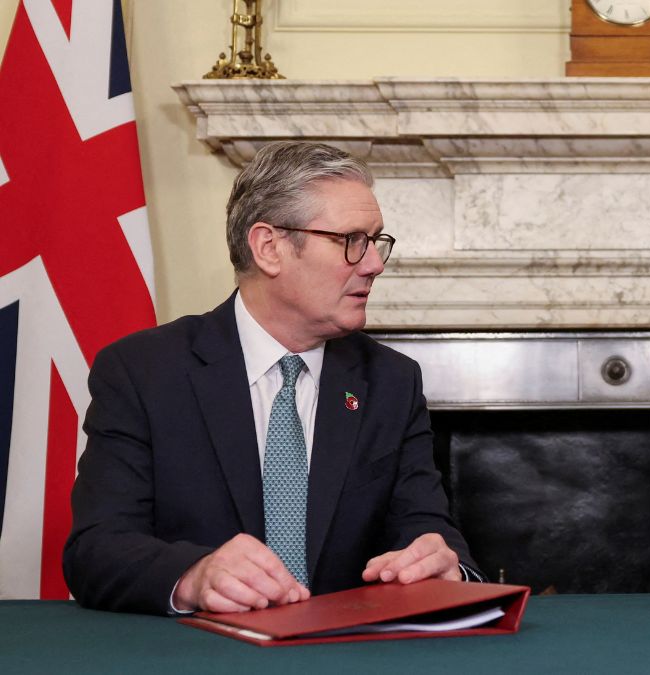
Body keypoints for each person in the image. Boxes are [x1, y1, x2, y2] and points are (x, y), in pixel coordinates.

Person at [64, 141, 481, 615]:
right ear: (269, 248)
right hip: (200, 647)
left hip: (345, 648)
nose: (374, 264)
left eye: (375, 240)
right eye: (351, 241)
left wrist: (446, 568)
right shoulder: (143, 372)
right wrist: (193, 577)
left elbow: (427, 529)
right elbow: (97, 549)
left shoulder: (390, 381)